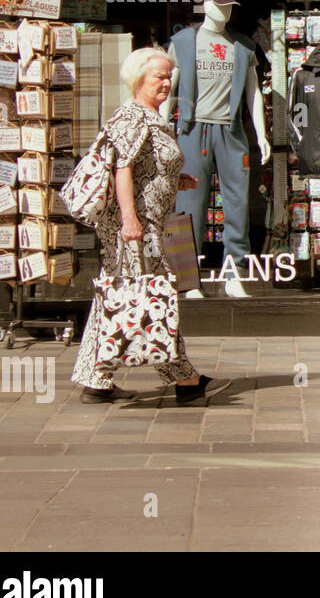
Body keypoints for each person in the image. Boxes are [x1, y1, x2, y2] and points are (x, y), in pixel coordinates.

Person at [70, 47, 232, 405]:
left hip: (142, 225)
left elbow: (145, 169)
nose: (166, 81)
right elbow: (122, 168)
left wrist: (176, 179)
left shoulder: (150, 117)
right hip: (136, 230)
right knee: (155, 299)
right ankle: (184, 379)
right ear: (138, 77)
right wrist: (130, 219)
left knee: (115, 298)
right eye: (159, 75)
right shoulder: (132, 117)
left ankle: (95, 380)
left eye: (169, 75)